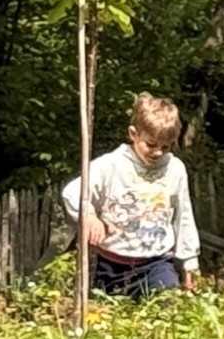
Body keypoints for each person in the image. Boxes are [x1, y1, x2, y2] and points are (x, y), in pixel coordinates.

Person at [62, 93, 200, 299]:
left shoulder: (175, 169)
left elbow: (184, 216)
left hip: (156, 263)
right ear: (133, 134)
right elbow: (72, 193)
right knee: (107, 317)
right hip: (109, 263)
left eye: (166, 146)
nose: (158, 152)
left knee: (167, 306)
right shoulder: (110, 165)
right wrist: (89, 216)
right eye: (151, 144)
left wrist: (189, 263)